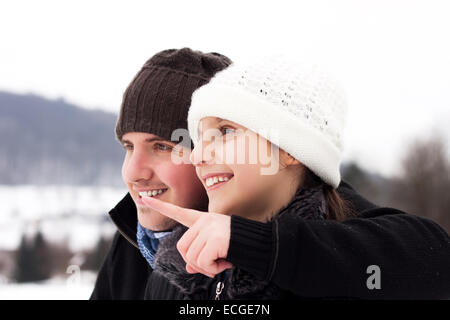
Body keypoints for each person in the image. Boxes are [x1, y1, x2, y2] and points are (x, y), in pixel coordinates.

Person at [90, 49, 450, 300]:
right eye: (127, 147)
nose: (134, 173)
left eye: (164, 146)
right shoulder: (146, 252)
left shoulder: (328, 235)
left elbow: (427, 258)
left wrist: (255, 244)